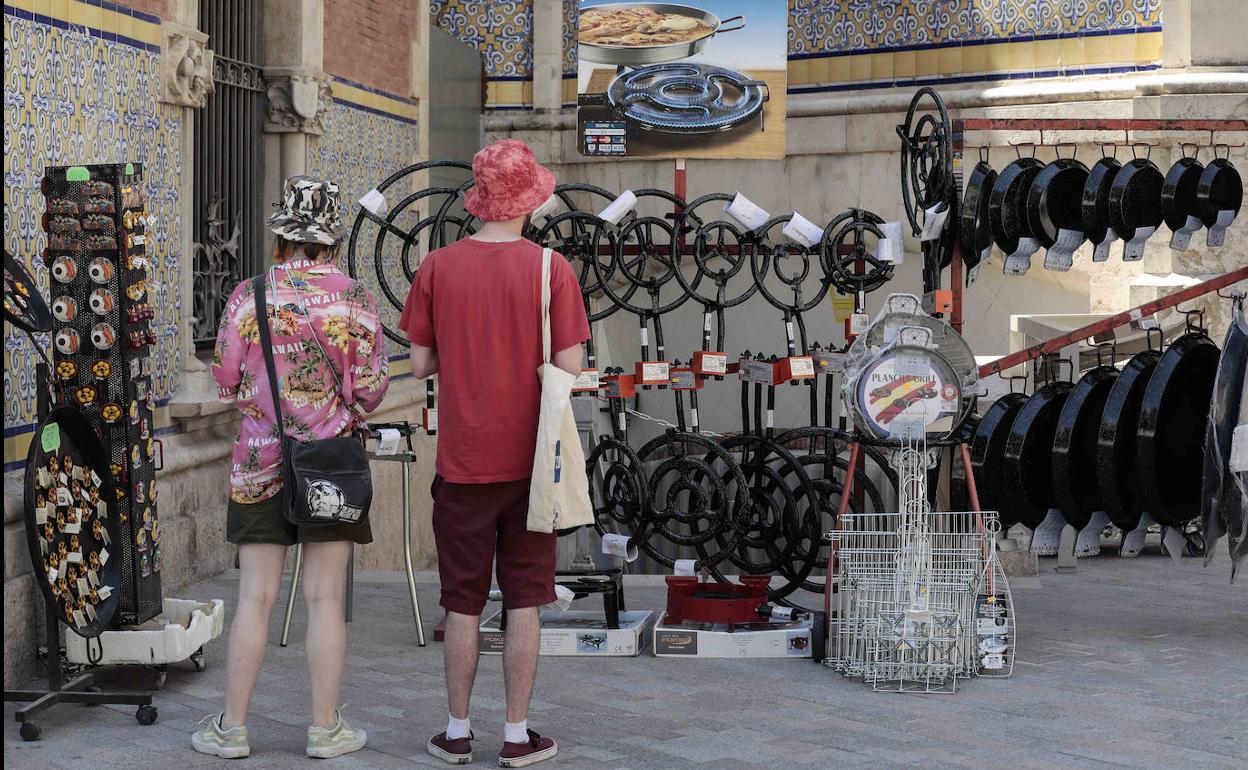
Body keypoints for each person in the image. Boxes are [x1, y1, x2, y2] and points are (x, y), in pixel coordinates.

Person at [400, 139, 590, 767]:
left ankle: (456, 732)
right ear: (529, 201)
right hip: (533, 465)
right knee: (526, 599)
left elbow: (422, 361)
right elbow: (569, 366)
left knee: (461, 601)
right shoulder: (550, 269)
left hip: (462, 462)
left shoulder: (436, 267)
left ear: (480, 201)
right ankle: (515, 735)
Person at [194, 176, 390, 760]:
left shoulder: (247, 294)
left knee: (256, 596)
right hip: (330, 465)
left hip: (258, 464)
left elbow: (226, 378)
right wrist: (336, 408)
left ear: (281, 235)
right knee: (324, 598)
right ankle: (325, 729)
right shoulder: (353, 298)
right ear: (331, 238)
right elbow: (373, 389)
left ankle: (232, 729)